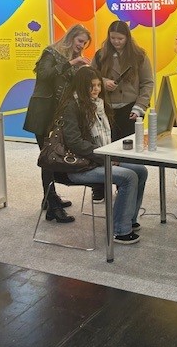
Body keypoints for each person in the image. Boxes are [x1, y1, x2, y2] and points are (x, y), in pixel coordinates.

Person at [57, 67, 148, 244]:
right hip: (79, 166)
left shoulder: (97, 104)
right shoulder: (72, 106)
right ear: (81, 86)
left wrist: (111, 156)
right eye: (92, 86)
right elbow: (75, 142)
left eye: (99, 85)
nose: (96, 89)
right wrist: (105, 157)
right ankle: (120, 230)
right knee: (128, 177)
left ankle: (128, 219)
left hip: (99, 159)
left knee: (141, 171)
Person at [24, 24, 91, 222]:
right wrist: (72, 63)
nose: (81, 46)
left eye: (85, 44)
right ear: (70, 37)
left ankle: (49, 198)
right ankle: (52, 207)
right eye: (80, 41)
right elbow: (44, 74)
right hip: (43, 114)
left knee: (51, 158)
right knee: (49, 158)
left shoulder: (72, 59)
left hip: (56, 115)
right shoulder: (51, 53)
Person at [93, 20, 154, 141]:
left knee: (130, 144)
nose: (116, 41)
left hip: (130, 109)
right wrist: (104, 82)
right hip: (106, 109)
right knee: (109, 144)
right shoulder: (100, 55)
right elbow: (90, 77)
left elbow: (147, 83)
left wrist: (140, 106)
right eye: (113, 38)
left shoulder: (139, 56)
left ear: (127, 37)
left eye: (120, 38)